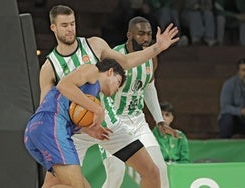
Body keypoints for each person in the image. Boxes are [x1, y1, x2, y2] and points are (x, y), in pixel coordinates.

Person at [41, 5, 179, 188]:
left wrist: (158, 47)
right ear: (53, 27)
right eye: (64, 25)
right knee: (53, 184)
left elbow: (127, 61)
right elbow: (48, 112)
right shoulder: (49, 67)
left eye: (72, 24)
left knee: (152, 172)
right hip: (76, 133)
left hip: (108, 124)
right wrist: (83, 127)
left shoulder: (94, 45)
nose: (70, 29)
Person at [100, 16, 179, 188]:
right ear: (129, 35)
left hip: (137, 121)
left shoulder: (152, 58)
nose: (146, 38)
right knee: (116, 174)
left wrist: (159, 120)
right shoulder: (115, 57)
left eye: (149, 34)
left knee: (159, 169)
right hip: (114, 122)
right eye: (141, 34)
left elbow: (149, 88)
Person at [24, 59, 126, 188]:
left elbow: (68, 111)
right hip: (51, 125)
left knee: (57, 184)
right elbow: (63, 85)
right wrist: (97, 109)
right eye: (118, 82)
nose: (117, 89)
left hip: (39, 129)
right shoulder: (93, 70)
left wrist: (87, 129)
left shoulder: (89, 92)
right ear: (109, 72)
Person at [218, 58, 245, 138]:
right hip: (235, 120)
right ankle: (224, 146)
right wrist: (241, 111)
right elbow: (225, 107)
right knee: (227, 118)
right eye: (243, 70)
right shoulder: (229, 84)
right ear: (238, 72)